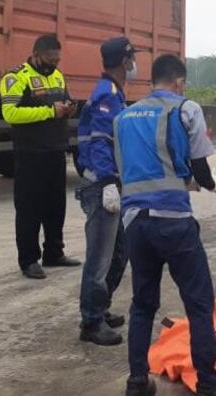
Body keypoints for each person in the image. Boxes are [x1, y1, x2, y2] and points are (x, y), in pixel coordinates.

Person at [114, 54, 216, 396]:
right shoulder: (185, 109)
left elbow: (130, 174)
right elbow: (198, 169)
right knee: (198, 304)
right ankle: (209, 385)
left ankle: (137, 381)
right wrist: (210, 184)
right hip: (174, 222)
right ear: (179, 82)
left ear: (152, 80)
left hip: (135, 222)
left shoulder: (123, 118)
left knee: (142, 303)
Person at [0, 33, 80, 279]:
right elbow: (10, 113)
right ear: (36, 54)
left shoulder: (57, 76)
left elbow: (60, 104)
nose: (54, 64)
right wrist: (49, 111)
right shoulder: (16, 76)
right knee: (29, 209)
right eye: (50, 59)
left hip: (55, 151)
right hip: (30, 154)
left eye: (57, 59)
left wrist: (67, 109)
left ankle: (54, 252)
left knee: (56, 206)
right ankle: (28, 259)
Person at [75, 37, 136, 346]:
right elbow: (100, 141)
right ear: (123, 62)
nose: (134, 63)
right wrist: (110, 181)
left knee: (118, 253)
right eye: (131, 58)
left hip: (110, 183)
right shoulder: (107, 94)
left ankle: (101, 306)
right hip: (102, 185)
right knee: (99, 259)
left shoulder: (115, 93)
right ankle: (91, 321)